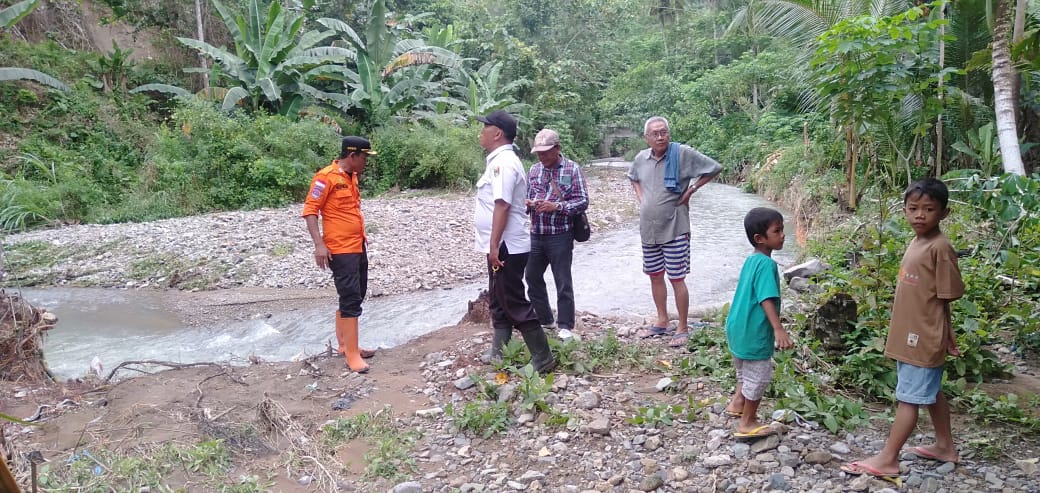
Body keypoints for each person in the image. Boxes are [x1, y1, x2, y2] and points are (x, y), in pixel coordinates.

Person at [841, 178, 964, 484]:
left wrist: (945, 332)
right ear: (905, 210)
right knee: (931, 390)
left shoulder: (940, 247)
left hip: (922, 336)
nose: (919, 215)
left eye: (928, 209)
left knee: (909, 397)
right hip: (912, 333)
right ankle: (945, 446)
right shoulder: (916, 241)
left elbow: (947, 296)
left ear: (944, 213)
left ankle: (888, 458)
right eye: (913, 209)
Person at [474, 110, 557, 374]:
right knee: (498, 297)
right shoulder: (499, 160)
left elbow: (502, 205)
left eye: (485, 127)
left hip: (506, 245)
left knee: (514, 300)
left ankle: (543, 358)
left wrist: (494, 244)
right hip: (502, 244)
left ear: (497, 133)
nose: (480, 132)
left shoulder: (504, 163)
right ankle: (499, 351)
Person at [628, 116, 722, 347]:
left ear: (669, 134)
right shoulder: (642, 158)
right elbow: (633, 178)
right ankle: (662, 321)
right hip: (649, 228)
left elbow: (714, 168)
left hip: (675, 226)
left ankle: (682, 326)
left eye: (664, 132)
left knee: (677, 278)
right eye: (655, 133)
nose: (660, 137)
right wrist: (643, 199)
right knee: (654, 275)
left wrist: (692, 189)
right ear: (646, 138)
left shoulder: (682, 154)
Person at [302, 136, 379, 373]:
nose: (367, 161)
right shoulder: (325, 177)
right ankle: (352, 356)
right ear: (352, 155)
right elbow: (310, 211)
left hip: (357, 244)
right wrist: (319, 245)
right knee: (350, 297)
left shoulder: (352, 177)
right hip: (340, 248)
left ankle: (345, 345)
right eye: (364, 157)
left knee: (357, 293)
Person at [723, 207, 794, 440]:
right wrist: (778, 328)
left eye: (782, 229)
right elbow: (766, 298)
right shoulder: (767, 265)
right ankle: (747, 421)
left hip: (736, 326)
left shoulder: (751, 260)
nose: (783, 235)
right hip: (754, 330)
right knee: (759, 375)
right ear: (760, 238)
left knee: (744, 370)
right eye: (777, 231)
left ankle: (738, 402)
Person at [525, 128, 590, 338]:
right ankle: (545, 320)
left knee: (562, 280)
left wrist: (557, 207)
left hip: (560, 234)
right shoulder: (534, 170)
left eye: (546, 152)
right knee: (532, 277)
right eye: (539, 153)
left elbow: (583, 200)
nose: (542, 157)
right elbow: (526, 197)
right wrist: (529, 204)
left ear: (557, 149)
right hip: (536, 232)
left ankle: (565, 326)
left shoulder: (572, 169)